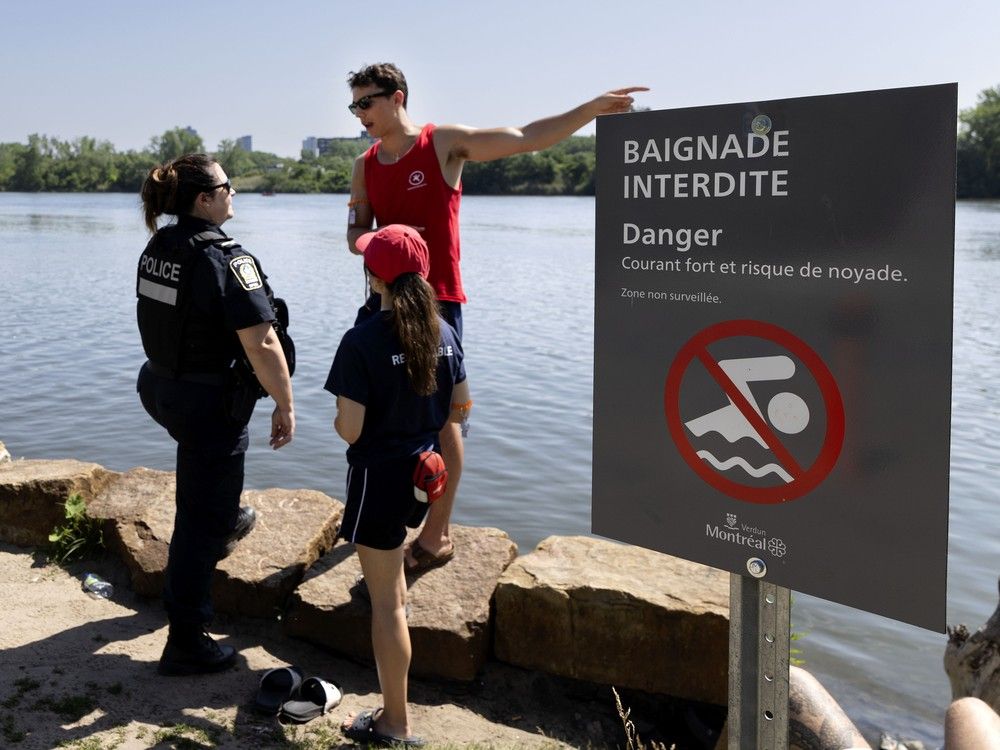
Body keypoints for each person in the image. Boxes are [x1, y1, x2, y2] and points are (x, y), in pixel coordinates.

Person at [346, 62, 646, 572]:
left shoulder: (444, 144)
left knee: (446, 420)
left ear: (397, 97)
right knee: (371, 412)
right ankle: (385, 514)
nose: (359, 114)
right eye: (353, 106)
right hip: (382, 302)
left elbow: (526, 137)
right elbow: (355, 232)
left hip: (438, 302)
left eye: (365, 103)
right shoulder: (364, 163)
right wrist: (387, 242)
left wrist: (590, 111)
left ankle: (436, 536)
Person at [136, 153, 295, 676]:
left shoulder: (159, 246)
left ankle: (221, 521)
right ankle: (186, 640)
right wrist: (285, 403)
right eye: (228, 188)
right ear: (204, 200)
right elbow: (263, 341)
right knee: (201, 522)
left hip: (161, 388)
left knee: (202, 499)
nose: (234, 195)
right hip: (206, 403)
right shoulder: (226, 258)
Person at [327, 224, 470, 746]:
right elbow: (459, 408)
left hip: (378, 482)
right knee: (394, 595)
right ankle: (395, 710)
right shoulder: (443, 331)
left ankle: (394, 722)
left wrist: (341, 415)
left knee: (388, 605)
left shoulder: (360, 341)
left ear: (373, 278)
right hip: (424, 474)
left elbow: (351, 429)